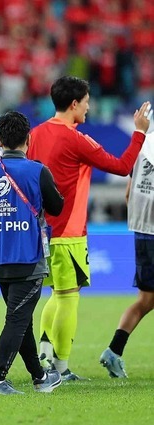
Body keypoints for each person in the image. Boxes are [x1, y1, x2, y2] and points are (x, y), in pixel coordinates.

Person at [27, 75, 151, 379]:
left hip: (41, 230)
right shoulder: (77, 139)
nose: (89, 107)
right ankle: (61, 366)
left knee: (56, 293)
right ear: (73, 104)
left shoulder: (37, 134)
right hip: (69, 232)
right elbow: (121, 167)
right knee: (69, 296)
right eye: (86, 101)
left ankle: (44, 353)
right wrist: (139, 133)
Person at [0, 110, 65, 395]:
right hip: (27, 255)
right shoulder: (37, 170)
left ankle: (40, 377)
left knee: (19, 316)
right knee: (17, 318)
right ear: (28, 139)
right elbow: (57, 207)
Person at [100, 124, 154, 378]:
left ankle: (113, 351)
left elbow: (129, 193)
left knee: (146, 300)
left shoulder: (144, 146)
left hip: (142, 230)